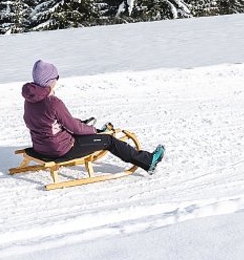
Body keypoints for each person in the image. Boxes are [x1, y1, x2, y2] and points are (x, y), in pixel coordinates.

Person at [21, 60, 164, 175]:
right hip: (59, 149)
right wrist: (95, 131)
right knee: (109, 140)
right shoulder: (53, 102)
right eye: (56, 78)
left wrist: (79, 125)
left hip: (40, 148)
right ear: (49, 80)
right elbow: (75, 128)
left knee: (81, 130)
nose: (57, 81)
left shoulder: (30, 100)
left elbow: (51, 123)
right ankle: (148, 161)